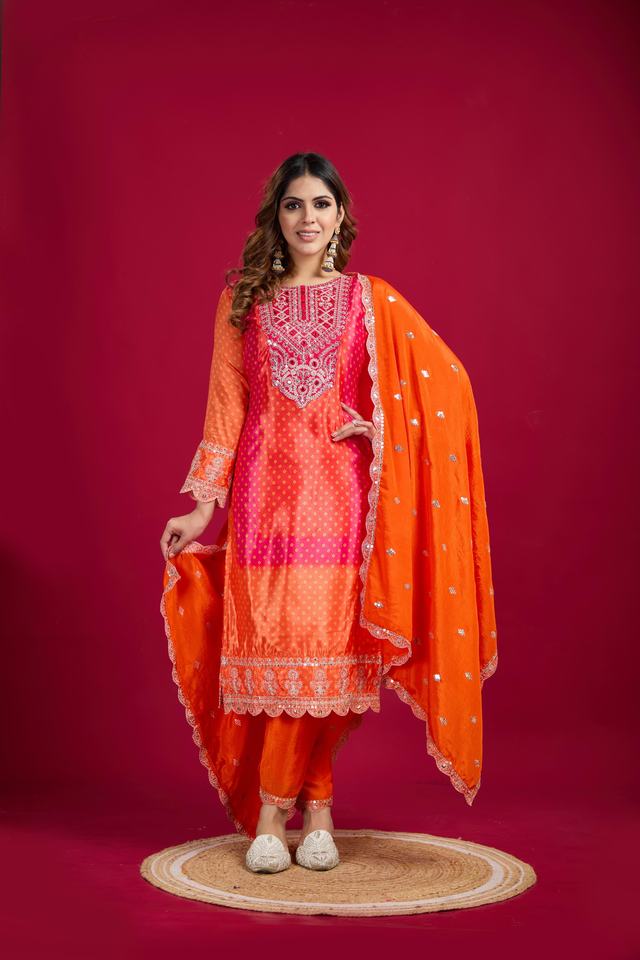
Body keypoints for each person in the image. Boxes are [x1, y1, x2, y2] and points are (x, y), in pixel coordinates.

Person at [159, 152, 498, 874]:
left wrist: (387, 433)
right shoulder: (242, 300)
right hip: (262, 501)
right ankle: (315, 809)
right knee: (287, 659)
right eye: (293, 205)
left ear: (340, 215)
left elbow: (447, 388)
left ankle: (278, 813)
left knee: (332, 660)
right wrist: (202, 507)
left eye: (320, 204)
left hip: (342, 497)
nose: (307, 217)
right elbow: (226, 408)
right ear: (276, 218)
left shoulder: (368, 300)